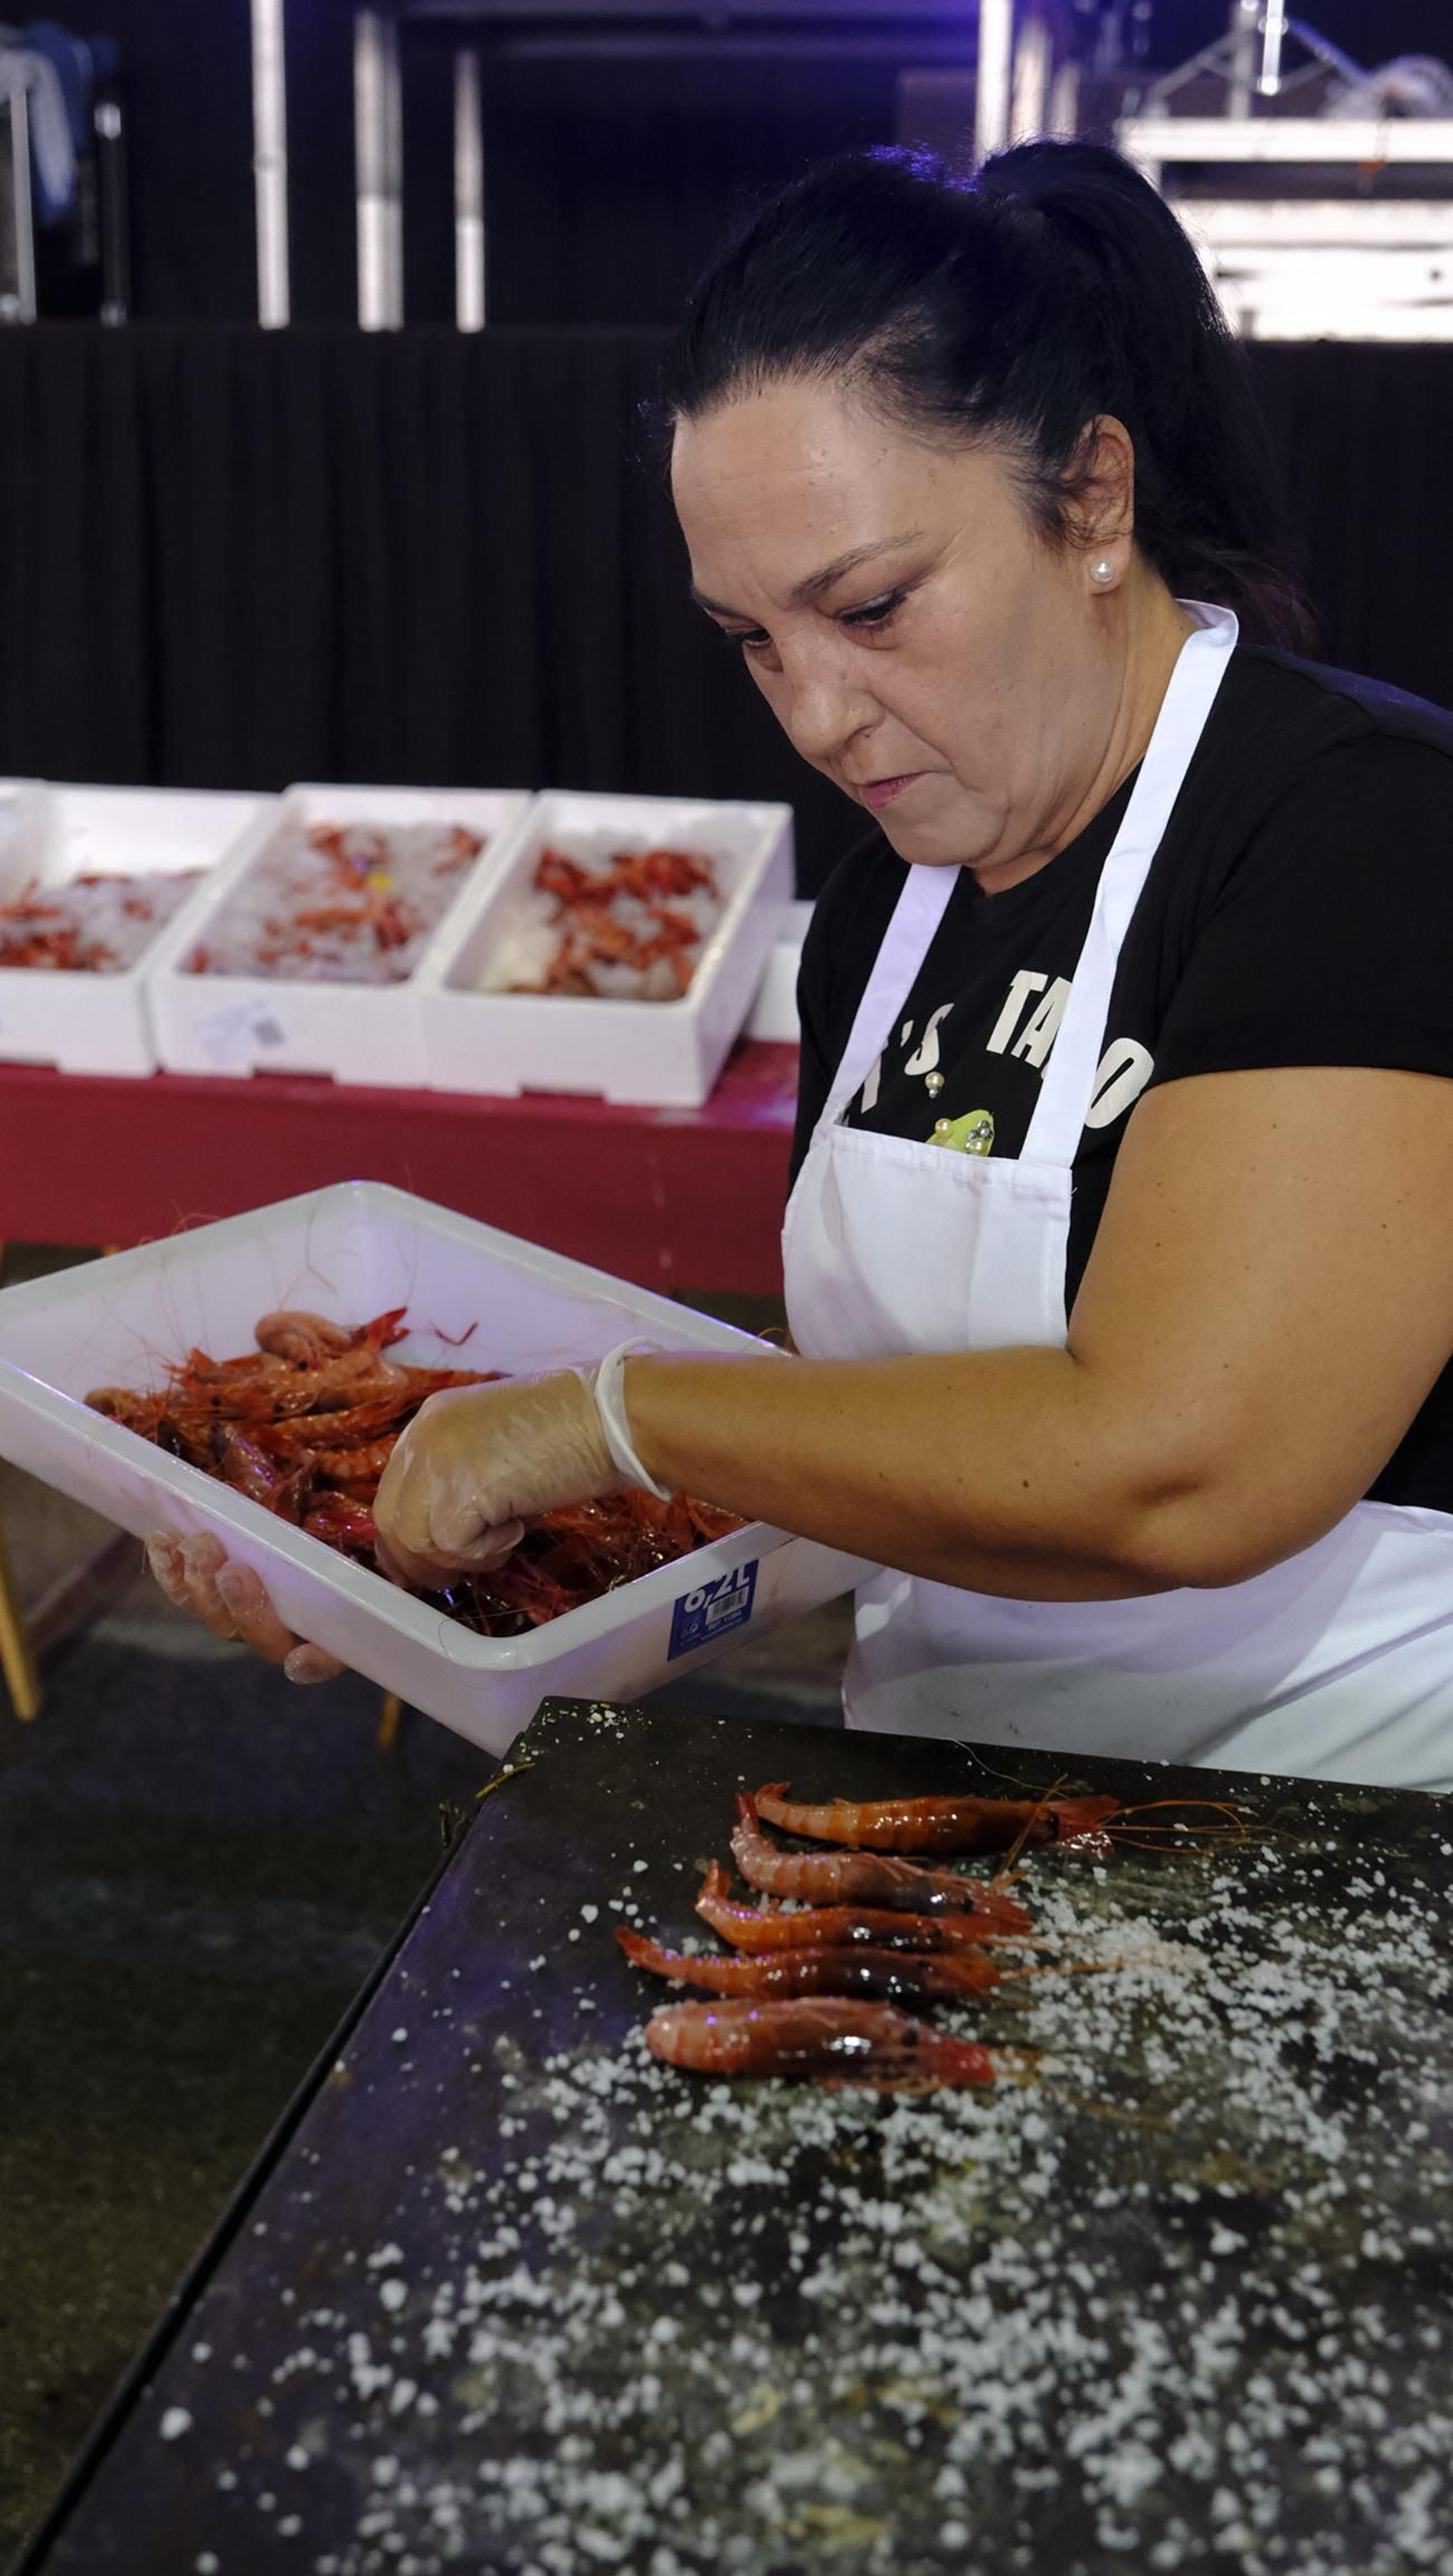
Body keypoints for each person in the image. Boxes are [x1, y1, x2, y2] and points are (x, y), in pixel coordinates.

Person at [150, 142, 1453, 1789]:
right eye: (756, 640)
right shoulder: (877, 921)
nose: (818, 715)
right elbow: (879, 1482)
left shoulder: (1359, 830)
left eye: (875, 607)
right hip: (954, 1814)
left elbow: (1181, 1466)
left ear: (1093, 499)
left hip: (1353, 1828)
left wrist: (609, 1415)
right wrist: (407, 1555)